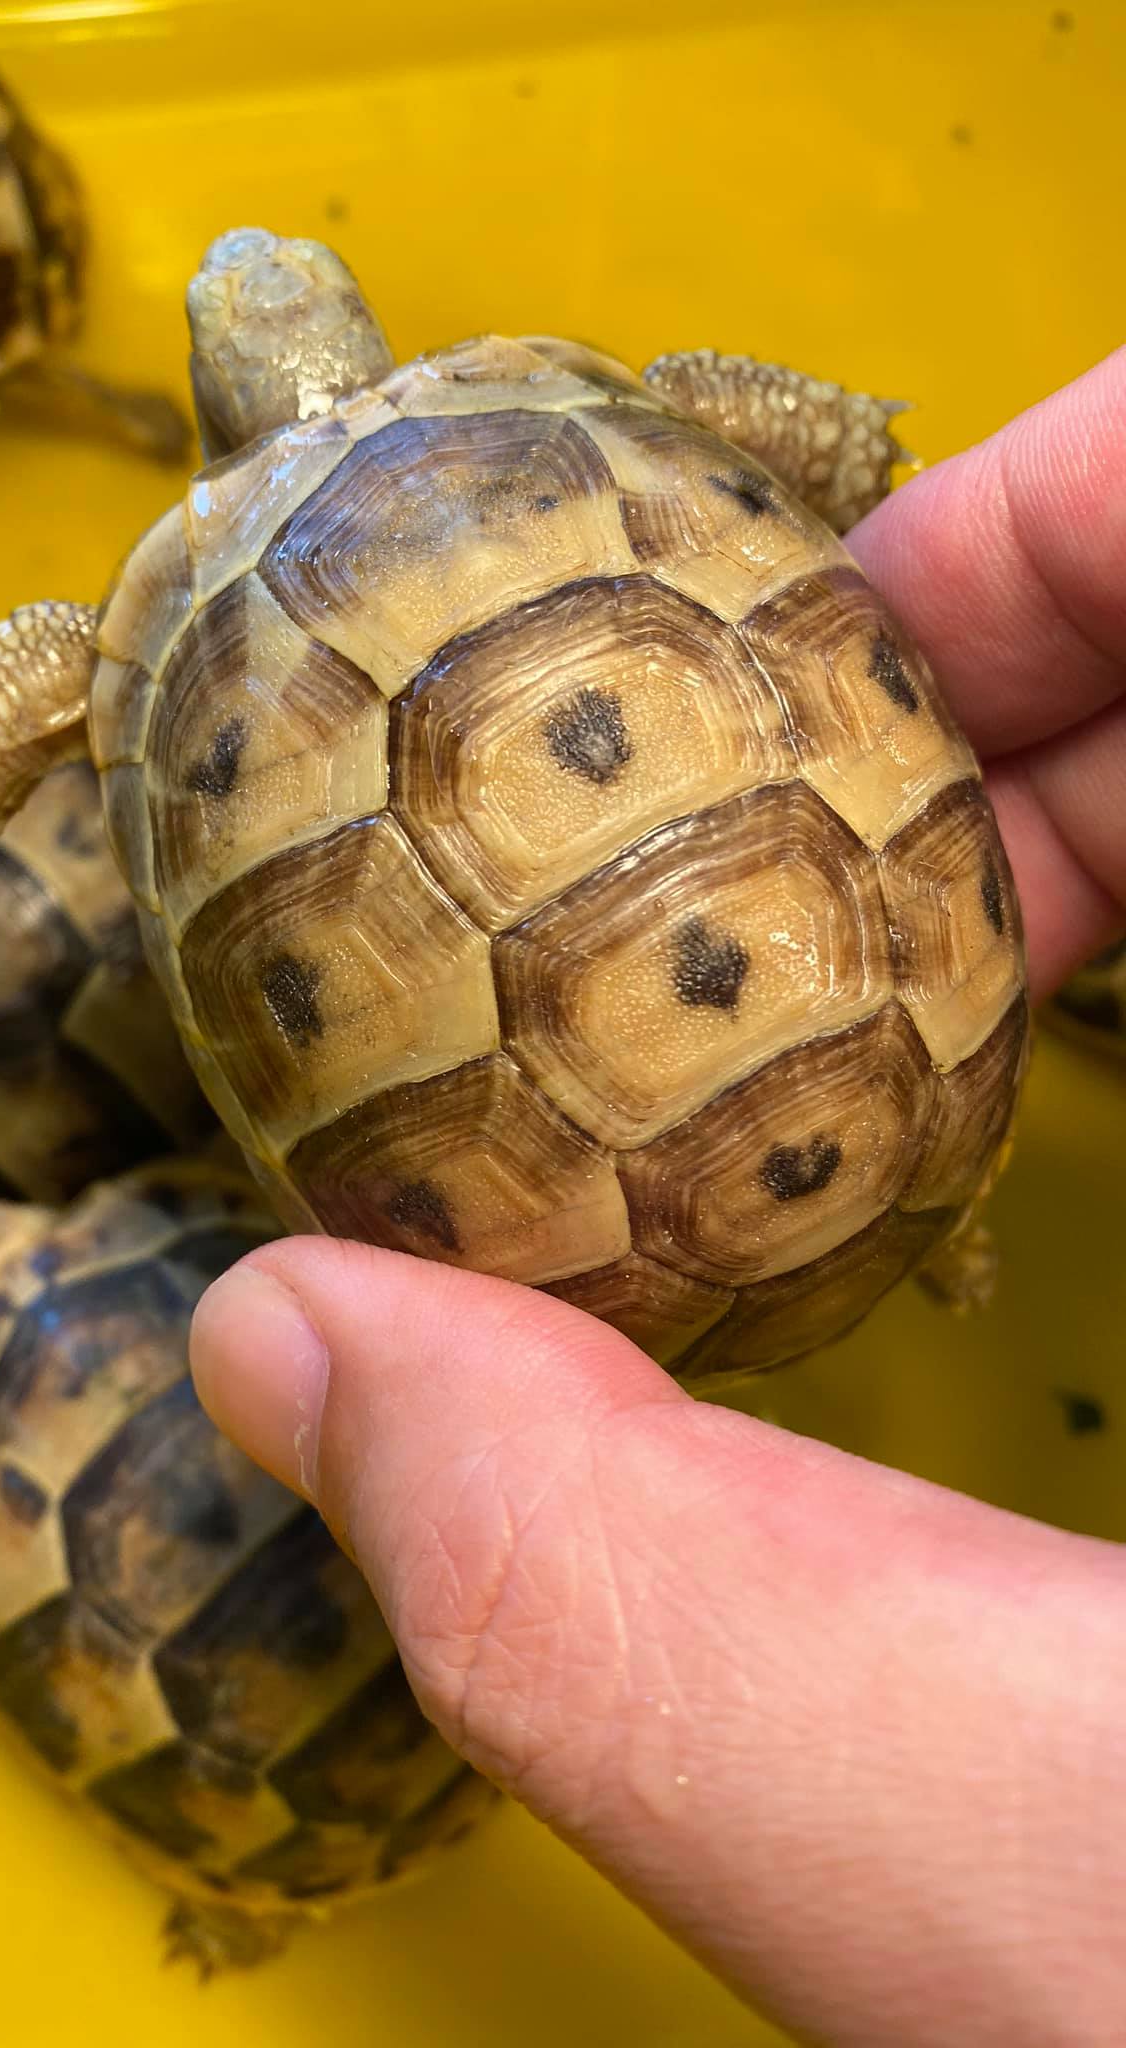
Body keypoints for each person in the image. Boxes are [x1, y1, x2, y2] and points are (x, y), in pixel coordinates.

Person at [189, 352, 1126, 2046]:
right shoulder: (587, 406)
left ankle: (935, 1225)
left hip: (617, 1282)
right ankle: (945, 1218)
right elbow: (750, 411)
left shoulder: (179, 647)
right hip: (935, 1099)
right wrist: (841, 431)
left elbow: (50, 699)